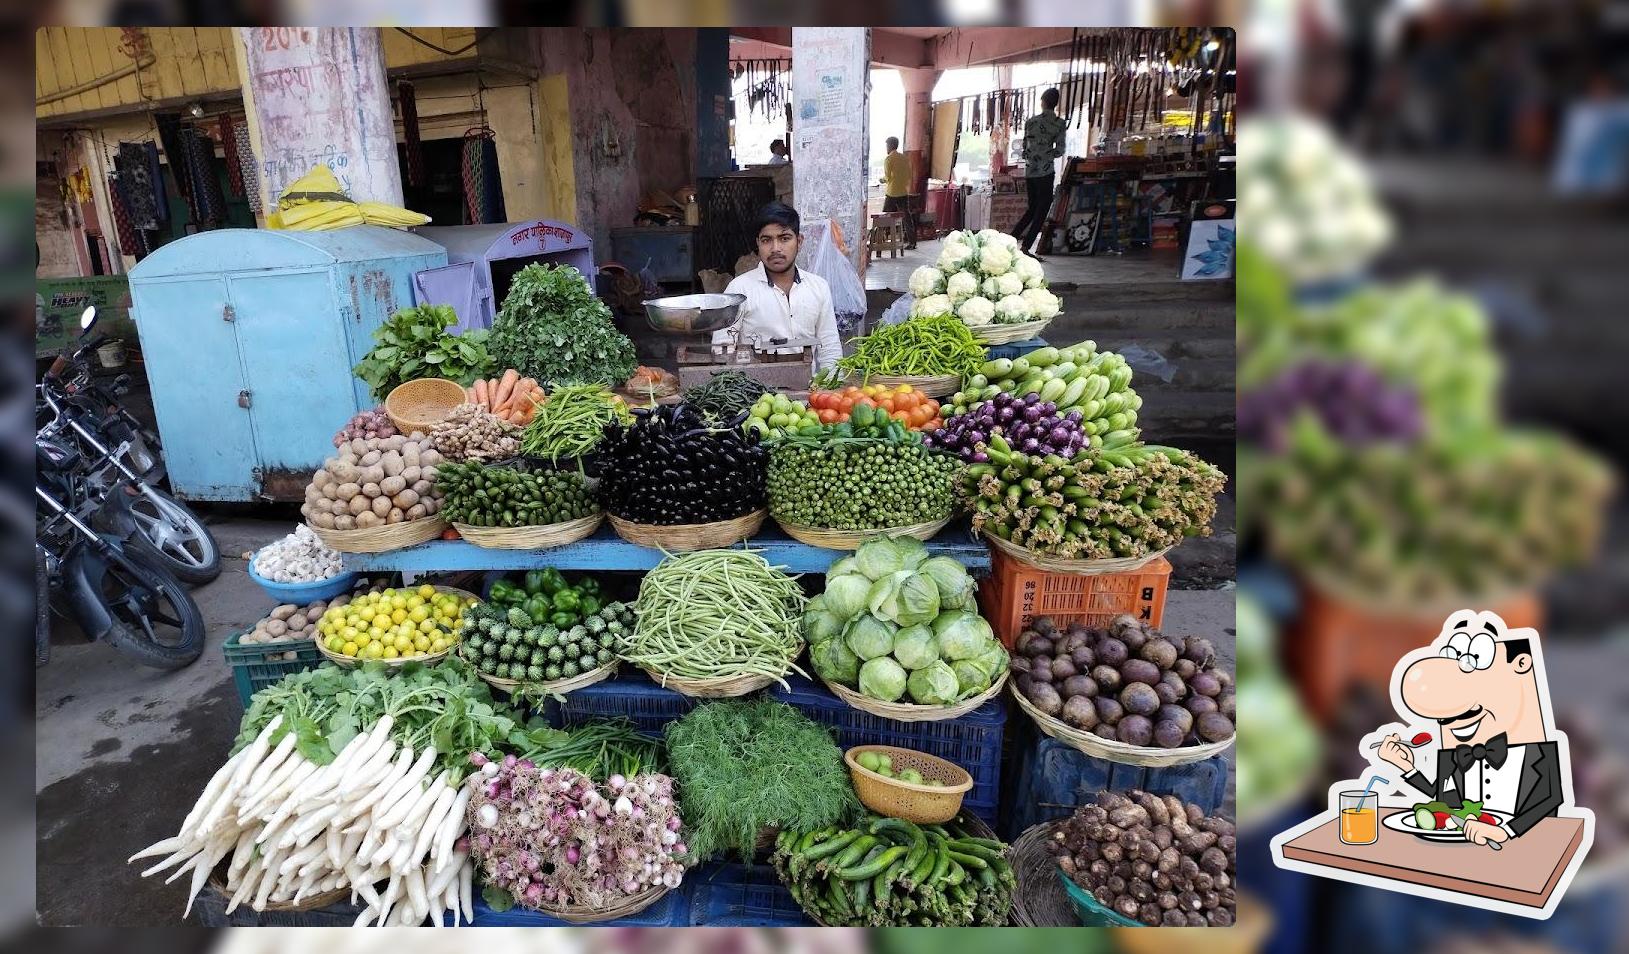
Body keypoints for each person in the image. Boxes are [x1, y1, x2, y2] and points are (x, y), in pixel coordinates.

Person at [1374, 610, 1568, 846]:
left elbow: (1549, 799)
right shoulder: (1455, 754)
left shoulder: (1539, 753)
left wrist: (1506, 831)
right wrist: (1407, 767)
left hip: (1527, 855)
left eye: (1475, 659)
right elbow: (1444, 801)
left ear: (1521, 664)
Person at [712, 202, 842, 375]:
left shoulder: (818, 287)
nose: (775, 248)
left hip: (806, 392)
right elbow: (722, 350)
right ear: (758, 243)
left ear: (799, 241)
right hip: (754, 395)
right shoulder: (739, 290)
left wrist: (831, 392)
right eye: (766, 240)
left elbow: (829, 346)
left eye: (784, 238)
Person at [1010, 87, 1068, 260]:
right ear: (1056, 103)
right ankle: (1026, 246)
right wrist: (1046, 156)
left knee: (1032, 207)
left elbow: (1024, 149)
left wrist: (1034, 157)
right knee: (1042, 210)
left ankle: (1010, 239)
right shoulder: (1059, 123)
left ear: (1042, 101)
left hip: (1031, 172)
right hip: (1046, 171)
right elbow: (1060, 149)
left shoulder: (1031, 122)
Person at [880, 136, 917, 250]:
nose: (886, 148)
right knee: (907, 218)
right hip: (903, 192)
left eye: (887, 145)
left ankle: (881, 241)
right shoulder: (905, 159)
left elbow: (887, 177)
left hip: (892, 193)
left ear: (890, 146)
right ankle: (912, 242)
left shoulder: (889, 159)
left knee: (884, 217)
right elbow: (908, 175)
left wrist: (882, 180)